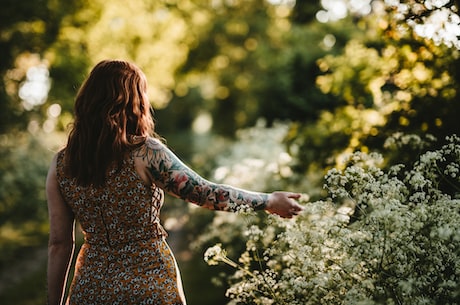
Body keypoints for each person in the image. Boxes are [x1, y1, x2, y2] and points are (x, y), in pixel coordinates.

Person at [46, 59, 304, 305]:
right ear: (133, 101)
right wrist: (268, 201)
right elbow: (204, 193)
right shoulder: (146, 153)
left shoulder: (62, 164)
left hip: (92, 289)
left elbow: (59, 244)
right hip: (150, 283)